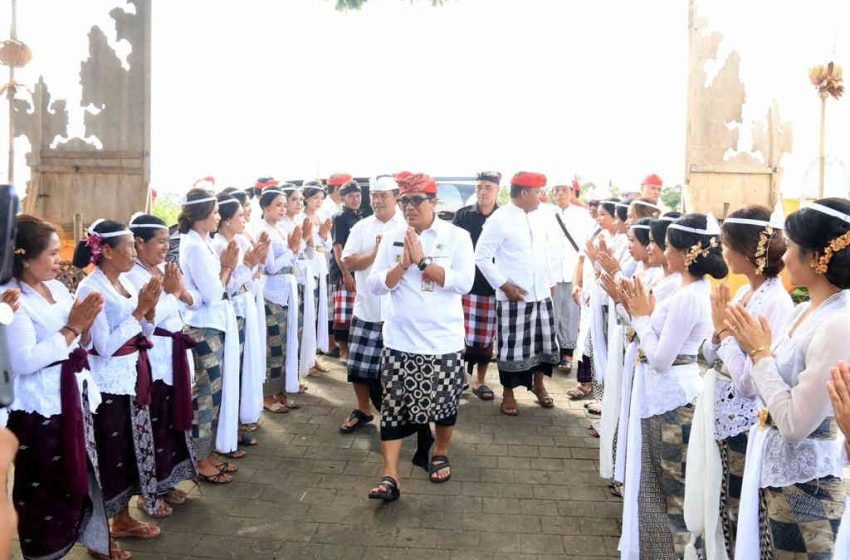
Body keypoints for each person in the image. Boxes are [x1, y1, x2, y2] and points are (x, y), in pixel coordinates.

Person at [727, 198, 850, 560]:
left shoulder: (838, 323)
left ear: (817, 257)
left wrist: (760, 354)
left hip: (807, 488)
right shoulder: (804, 310)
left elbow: (796, 424)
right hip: (777, 472)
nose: (783, 258)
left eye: (792, 248)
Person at [683, 205, 794, 558]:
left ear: (748, 251)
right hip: (723, 417)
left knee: (735, 510)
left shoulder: (776, 301)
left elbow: (749, 382)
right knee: (721, 506)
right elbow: (712, 356)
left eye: (727, 245)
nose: (723, 253)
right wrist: (719, 337)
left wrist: (723, 333)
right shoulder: (747, 293)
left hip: (744, 424)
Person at [6, 215, 114, 559]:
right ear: (25, 257)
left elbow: (77, 338)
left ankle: (88, 537)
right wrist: (72, 328)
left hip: (71, 394)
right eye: (52, 254)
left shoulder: (54, 287)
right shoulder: (11, 298)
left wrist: (86, 325)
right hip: (38, 407)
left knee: (77, 477)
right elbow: (23, 361)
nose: (59, 260)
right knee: (43, 489)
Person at [619, 213, 727, 559]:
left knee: (672, 493)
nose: (661, 250)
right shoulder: (685, 289)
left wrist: (641, 316)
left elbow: (662, 358)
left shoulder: (689, 296)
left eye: (667, 245)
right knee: (655, 488)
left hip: (673, 400)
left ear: (685, 253)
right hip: (661, 396)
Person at [366, 173, 474, 500]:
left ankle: (440, 450)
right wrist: (401, 265)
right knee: (394, 409)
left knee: (444, 406)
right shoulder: (393, 237)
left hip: (443, 340)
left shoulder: (457, 237)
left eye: (417, 200)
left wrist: (424, 262)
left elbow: (464, 282)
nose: (409, 207)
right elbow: (374, 283)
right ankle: (390, 475)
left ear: (434, 203)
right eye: (404, 201)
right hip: (400, 339)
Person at [74, 219, 167, 543]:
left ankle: (124, 518)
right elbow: (103, 346)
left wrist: (149, 314)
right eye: (128, 246)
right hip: (108, 383)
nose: (133, 251)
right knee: (109, 454)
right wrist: (141, 311)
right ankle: (103, 532)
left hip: (133, 376)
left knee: (128, 451)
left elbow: (143, 333)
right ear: (108, 251)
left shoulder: (125, 282)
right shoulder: (91, 287)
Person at [125, 214, 200, 512]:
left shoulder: (163, 269)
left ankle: (166, 483)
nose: (165, 247)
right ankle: (148, 492)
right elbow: (148, 320)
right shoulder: (132, 276)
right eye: (160, 241)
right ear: (139, 243)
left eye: (168, 241)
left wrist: (177, 291)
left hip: (174, 353)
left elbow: (188, 301)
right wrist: (172, 293)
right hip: (154, 354)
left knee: (170, 421)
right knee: (152, 423)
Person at [475, 171, 560, 416]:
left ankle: (539, 386)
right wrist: (504, 285)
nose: (541, 197)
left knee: (543, 345)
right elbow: (481, 257)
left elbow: (547, 252)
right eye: (537, 192)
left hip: (541, 294)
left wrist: (550, 280)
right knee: (511, 349)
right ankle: (508, 394)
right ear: (524, 193)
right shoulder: (500, 219)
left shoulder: (543, 215)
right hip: (514, 297)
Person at [177, 188, 242, 484]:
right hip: (203, 327)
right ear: (202, 215)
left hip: (213, 322)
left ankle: (207, 451)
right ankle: (199, 459)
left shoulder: (201, 242)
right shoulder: (192, 246)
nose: (219, 217)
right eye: (215, 212)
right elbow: (214, 294)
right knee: (206, 393)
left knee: (215, 392)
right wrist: (227, 268)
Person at [339, 175, 406, 432]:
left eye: (383, 196)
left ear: (396, 196)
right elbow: (348, 262)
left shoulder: (408, 226)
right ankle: (363, 409)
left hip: (399, 311)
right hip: (367, 306)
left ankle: (400, 416)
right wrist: (375, 255)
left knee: (398, 370)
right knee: (359, 367)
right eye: (374, 196)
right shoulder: (362, 227)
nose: (377, 201)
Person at [212, 196, 270, 454]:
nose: (245, 219)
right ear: (225, 220)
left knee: (242, 367)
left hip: (245, 306)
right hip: (231, 309)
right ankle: (226, 432)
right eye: (239, 215)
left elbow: (247, 275)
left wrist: (252, 263)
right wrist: (247, 264)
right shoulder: (217, 245)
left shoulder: (236, 240)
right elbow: (226, 286)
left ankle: (235, 425)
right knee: (231, 371)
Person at [452, 171, 501, 400]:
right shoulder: (463, 215)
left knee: (485, 338)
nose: (483, 192)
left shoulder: (503, 217)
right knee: (459, 333)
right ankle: (458, 377)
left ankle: (480, 380)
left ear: (497, 190)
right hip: (464, 284)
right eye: (479, 187)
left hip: (490, 286)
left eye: (488, 187)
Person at [255, 186, 301, 413]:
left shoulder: (280, 229)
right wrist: (292, 250)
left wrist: (295, 249)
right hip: (272, 292)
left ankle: (280, 389)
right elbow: (271, 267)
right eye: (278, 205)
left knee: (284, 344)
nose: (283, 209)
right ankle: (267, 394)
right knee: (273, 345)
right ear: (265, 207)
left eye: (285, 205)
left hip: (286, 291)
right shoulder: (263, 231)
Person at [549, 178, 594, 372]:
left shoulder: (583, 215)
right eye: (557, 190)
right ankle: (551, 353)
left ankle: (567, 354)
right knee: (552, 313)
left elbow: (586, 243)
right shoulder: (546, 213)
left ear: (572, 192)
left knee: (570, 314)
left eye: (564, 190)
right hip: (551, 270)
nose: (560, 194)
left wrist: (582, 274)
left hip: (573, 269)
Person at [301, 184, 334, 375]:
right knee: (309, 314)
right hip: (308, 268)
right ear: (307, 198)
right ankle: (307, 358)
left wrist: (323, 234)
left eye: (321, 198)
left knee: (318, 313)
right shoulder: (300, 218)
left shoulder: (320, 217)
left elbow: (327, 245)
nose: (319, 202)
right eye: (315, 198)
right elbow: (306, 245)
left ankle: (313, 356)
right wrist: (316, 238)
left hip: (320, 266)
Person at [331, 180, 363, 362]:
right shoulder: (339, 218)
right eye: (350, 196)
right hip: (343, 270)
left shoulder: (359, 217)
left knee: (353, 312)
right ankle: (343, 351)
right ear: (342, 198)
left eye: (358, 195)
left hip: (357, 269)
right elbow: (337, 247)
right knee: (343, 313)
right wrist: (346, 273)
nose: (355, 199)